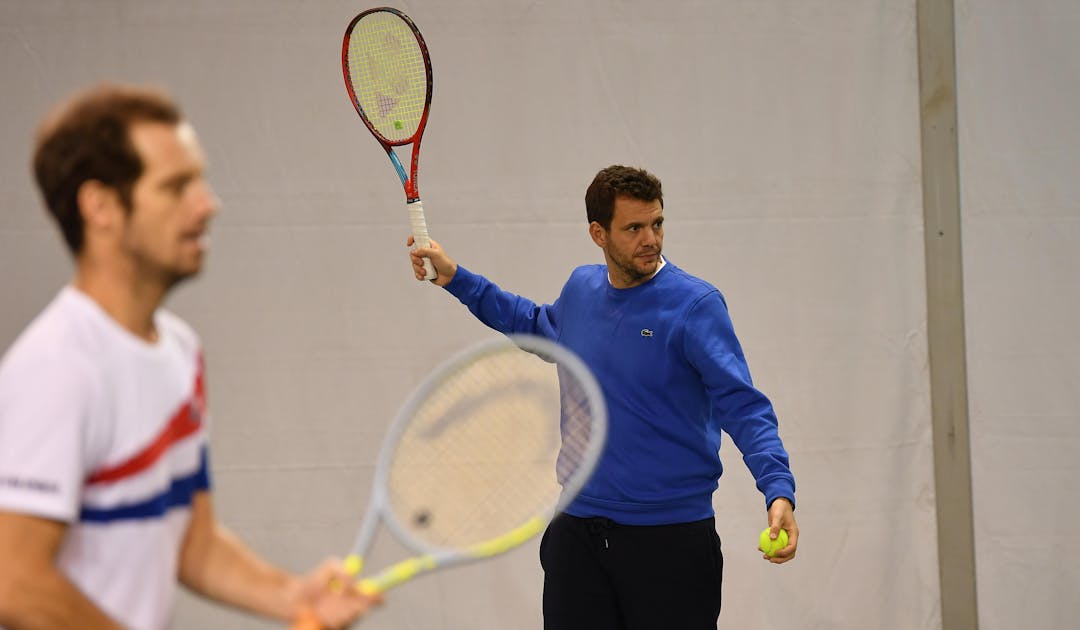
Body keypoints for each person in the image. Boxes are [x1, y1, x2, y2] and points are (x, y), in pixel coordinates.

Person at [0, 84, 378, 630]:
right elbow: (14, 580)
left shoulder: (179, 351)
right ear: (100, 207)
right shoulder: (57, 369)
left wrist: (295, 597)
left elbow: (192, 541)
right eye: (176, 186)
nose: (207, 204)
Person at [407, 165, 798, 629]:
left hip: (670, 542)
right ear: (599, 233)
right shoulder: (582, 290)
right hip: (578, 538)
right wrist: (455, 278)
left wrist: (778, 490)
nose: (650, 239)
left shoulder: (696, 307)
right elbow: (537, 326)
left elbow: (744, 406)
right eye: (633, 228)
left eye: (657, 224)